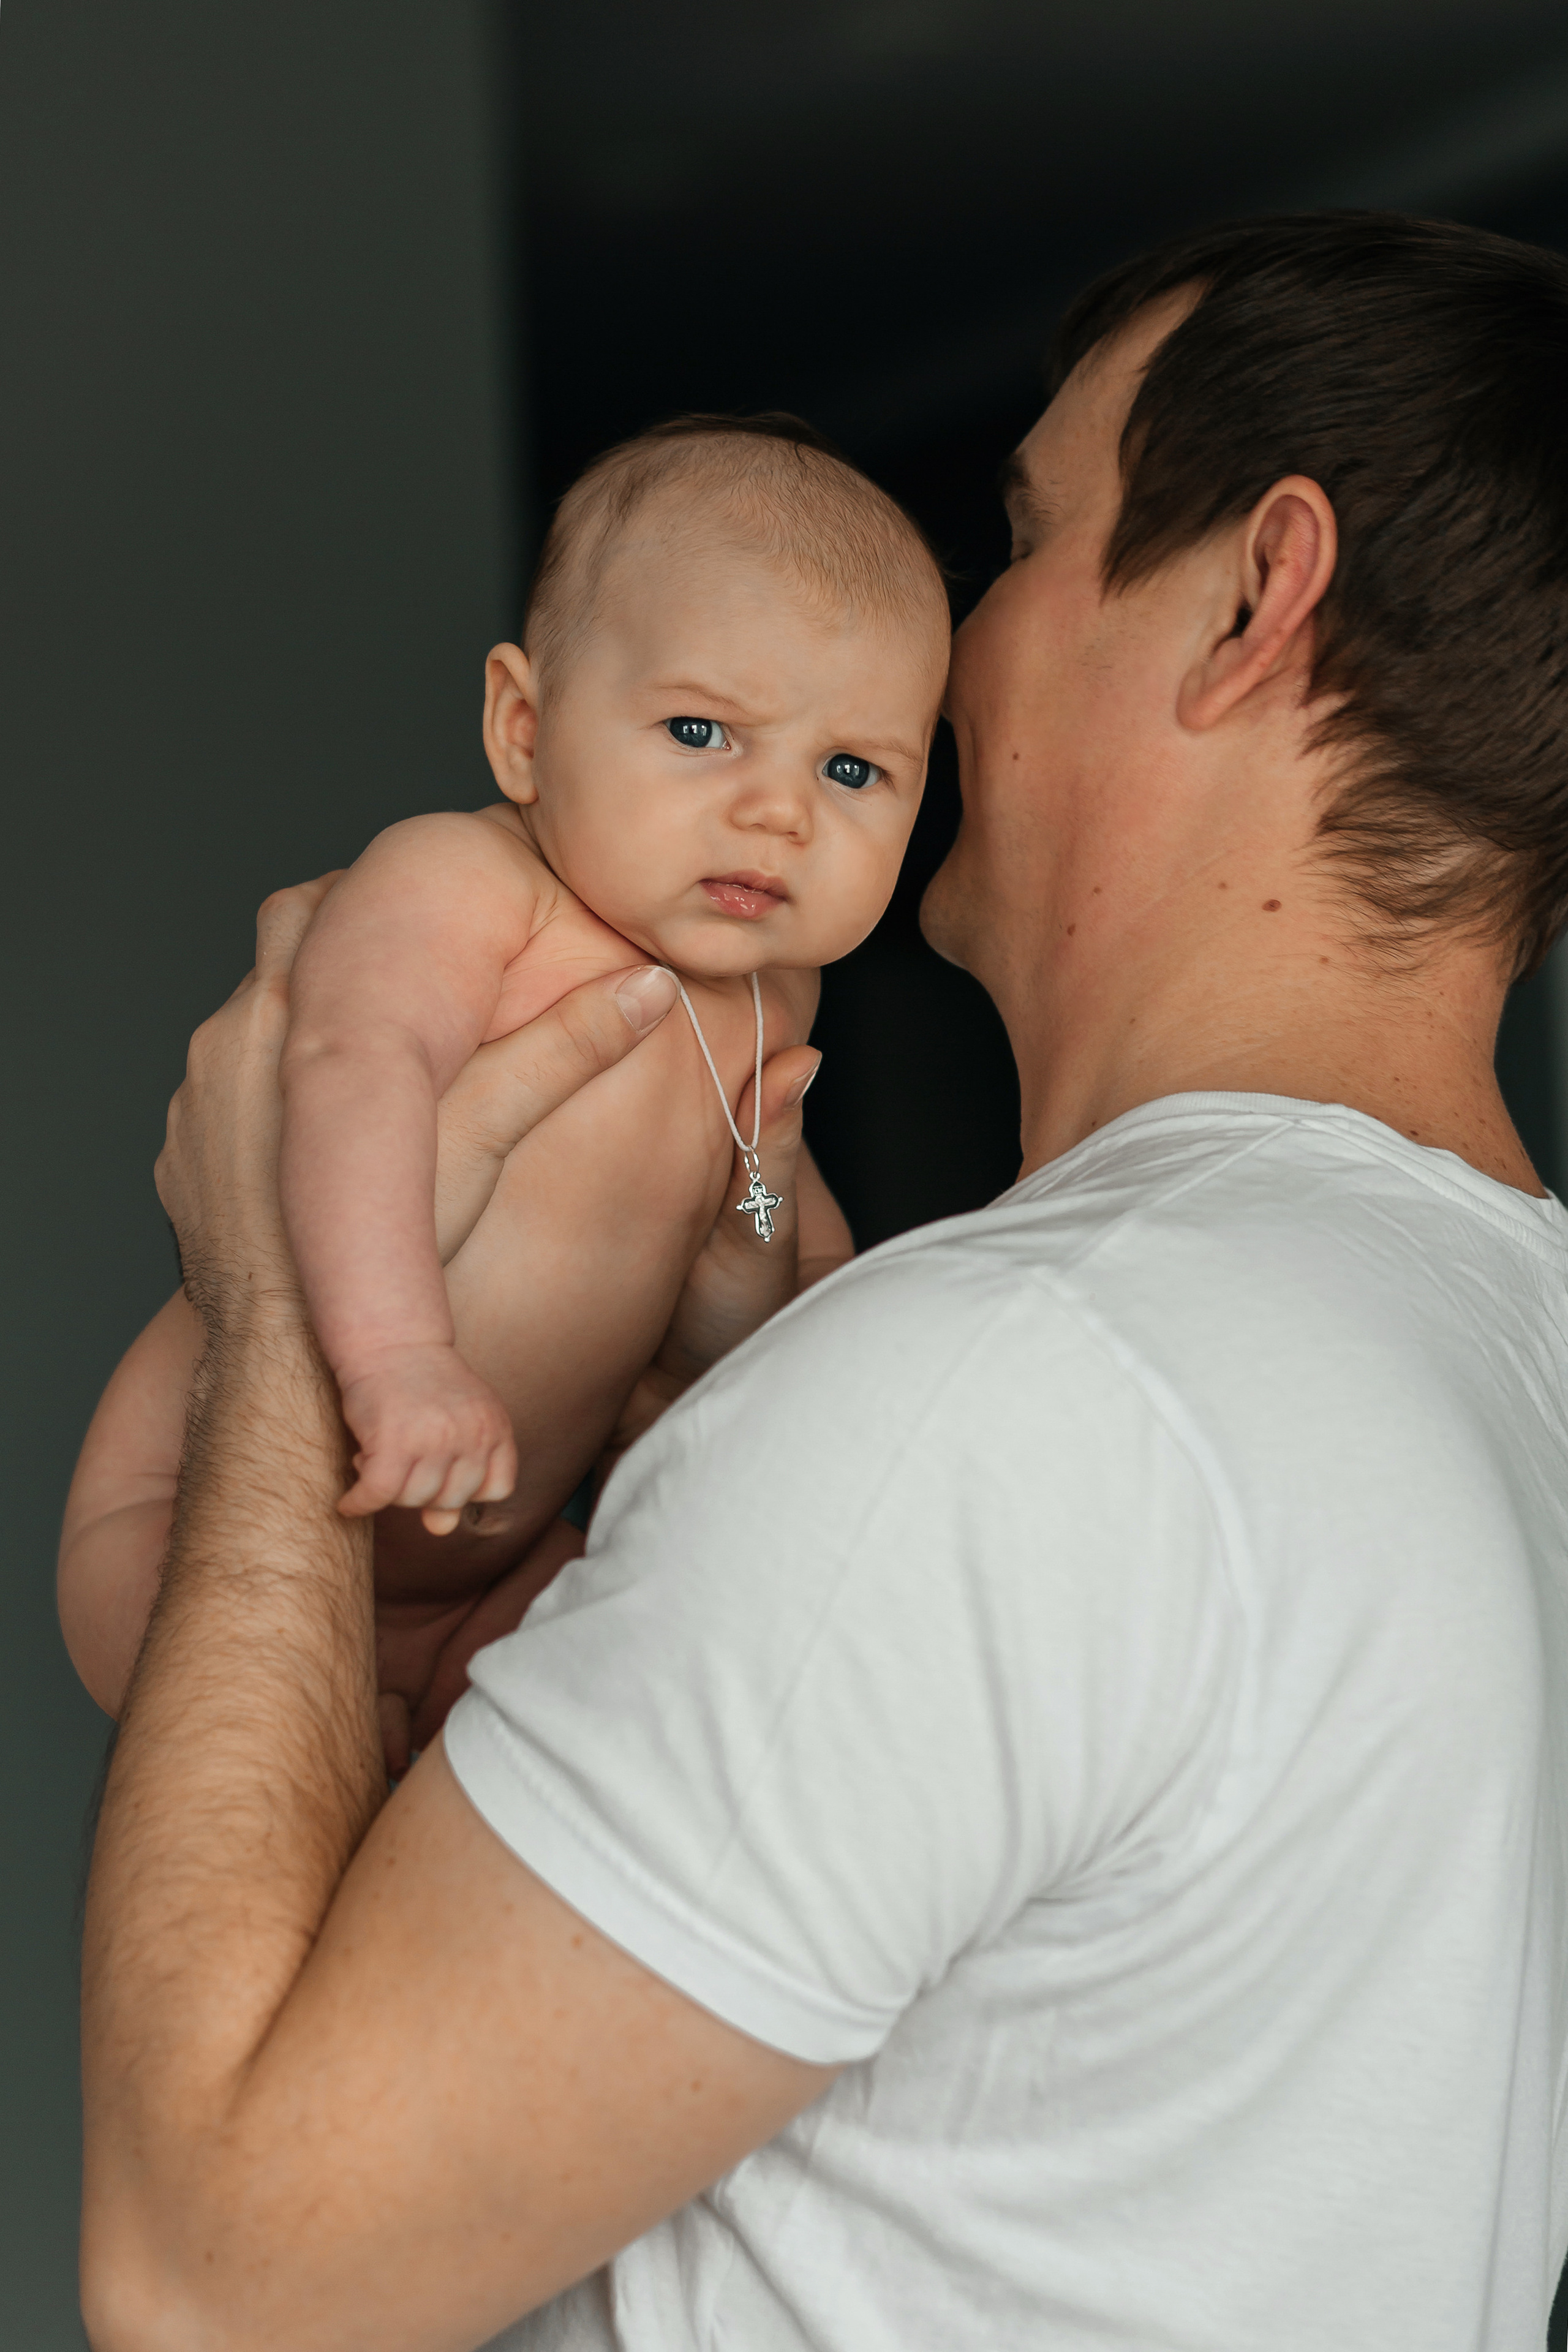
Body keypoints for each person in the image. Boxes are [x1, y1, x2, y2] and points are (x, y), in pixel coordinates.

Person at [75, 210, 1568, 2352]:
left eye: (1028, 534)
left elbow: (216, 2278)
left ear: (1259, 597)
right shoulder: (1509, 1359)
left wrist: (286, 1314)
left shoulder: (1020, 1384)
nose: (947, 643)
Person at [59, 415, 945, 1760]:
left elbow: (777, 1211)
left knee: (615, 1722)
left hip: (495, 1566)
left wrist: (762, 1266)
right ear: (522, 730)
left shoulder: (772, 994)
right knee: (263, 1746)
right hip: (192, 1510)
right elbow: (350, 1073)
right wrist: (399, 1357)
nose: (779, 813)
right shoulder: (466, 884)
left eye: (849, 769)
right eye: (702, 730)